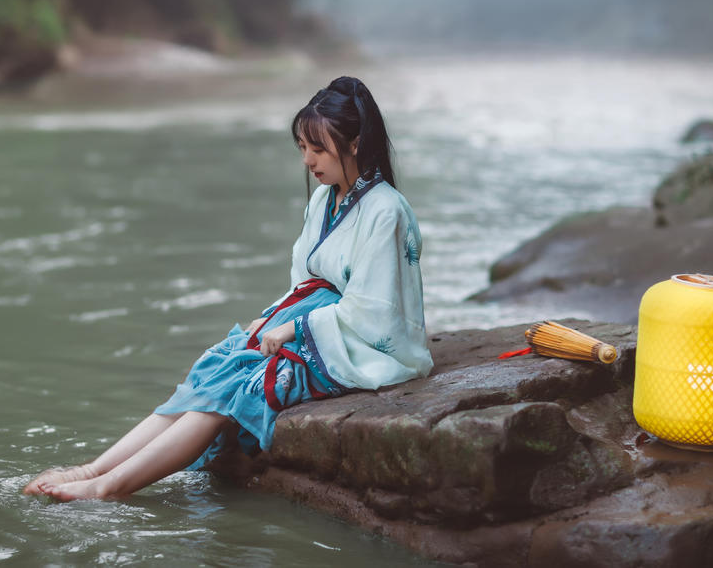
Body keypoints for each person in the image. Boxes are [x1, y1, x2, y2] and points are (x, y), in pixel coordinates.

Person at [24, 76, 432, 500]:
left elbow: (374, 309)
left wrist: (291, 329)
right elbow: (305, 280)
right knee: (219, 364)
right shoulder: (324, 199)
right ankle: (91, 468)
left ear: (355, 143)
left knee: (243, 385)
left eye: (319, 149)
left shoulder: (386, 210)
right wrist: (274, 317)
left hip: (360, 345)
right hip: (315, 321)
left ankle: (107, 488)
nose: (308, 161)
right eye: (302, 148)